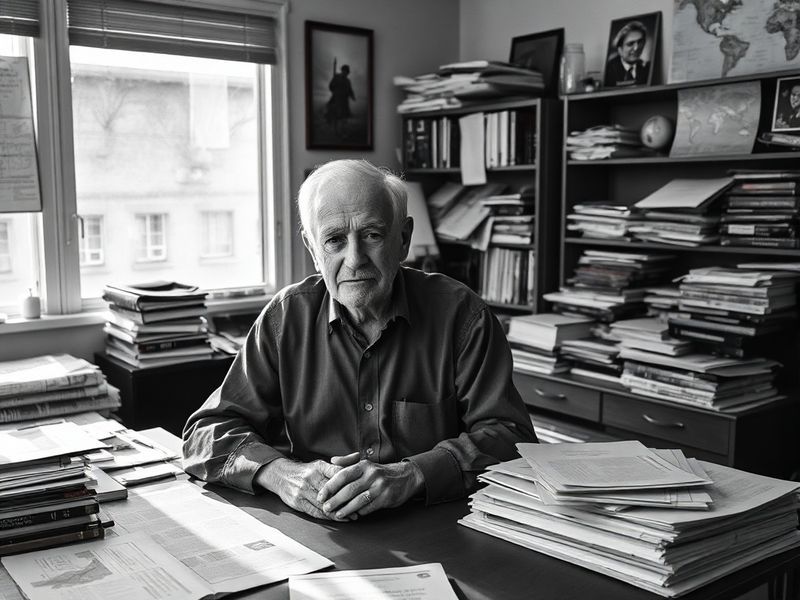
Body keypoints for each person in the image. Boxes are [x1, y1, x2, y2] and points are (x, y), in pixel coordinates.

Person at [182, 159, 537, 522]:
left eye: (372, 235)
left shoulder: (462, 316)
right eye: (335, 240)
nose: (354, 259)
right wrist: (280, 473)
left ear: (403, 239)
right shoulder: (284, 319)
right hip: (320, 531)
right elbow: (204, 435)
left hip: (441, 527)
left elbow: (512, 438)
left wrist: (412, 474)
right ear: (312, 249)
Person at [603, 20, 650, 87]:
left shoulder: (647, 68)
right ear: (620, 49)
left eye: (640, 42)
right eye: (630, 44)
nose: (636, 48)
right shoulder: (609, 70)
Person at [324, 59, 355, 137]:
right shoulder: (336, 77)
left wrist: (352, 96)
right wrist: (333, 88)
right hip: (336, 99)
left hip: (344, 101)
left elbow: (350, 89)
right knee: (335, 117)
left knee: (344, 118)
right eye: (344, 71)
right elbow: (331, 86)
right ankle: (335, 132)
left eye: (347, 72)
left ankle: (343, 132)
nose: (346, 73)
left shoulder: (348, 81)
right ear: (342, 70)